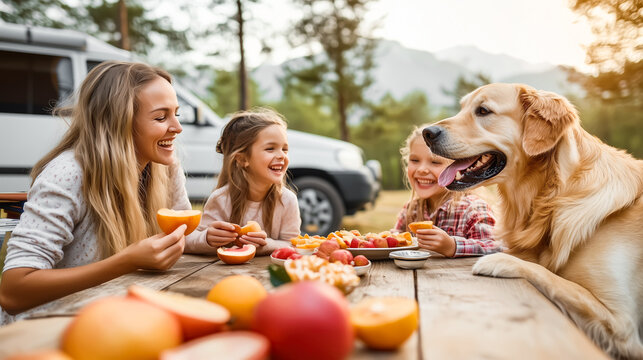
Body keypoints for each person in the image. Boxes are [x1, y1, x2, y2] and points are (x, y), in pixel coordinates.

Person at [0, 61, 191, 324]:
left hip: (114, 319)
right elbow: (13, 292)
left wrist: (214, 236)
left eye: (176, 114)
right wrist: (126, 262)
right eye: (161, 117)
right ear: (118, 122)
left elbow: (181, 235)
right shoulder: (68, 174)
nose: (177, 127)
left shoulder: (163, 167)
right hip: (46, 330)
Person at [186, 109, 300, 256]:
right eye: (270, 148)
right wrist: (207, 238)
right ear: (242, 159)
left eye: (285, 149)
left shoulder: (287, 201)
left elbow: (292, 244)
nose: (281, 156)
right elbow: (188, 242)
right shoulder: (221, 199)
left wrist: (267, 245)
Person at [393, 126, 502, 257]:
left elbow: (496, 248)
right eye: (415, 160)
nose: (422, 169)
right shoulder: (411, 209)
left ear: (459, 167)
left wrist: (453, 246)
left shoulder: (473, 209)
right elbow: (394, 240)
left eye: (435, 162)